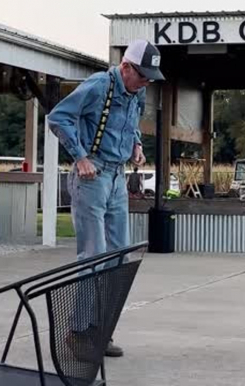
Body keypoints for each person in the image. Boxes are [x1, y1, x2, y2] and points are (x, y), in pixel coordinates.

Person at [47, 38, 164, 358]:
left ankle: (102, 330)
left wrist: (137, 145)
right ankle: (78, 331)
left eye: (150, 77)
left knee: (119, 258)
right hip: (92, 177)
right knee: (94, 256)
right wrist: (80, 157)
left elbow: (133, 122)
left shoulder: (136, 91)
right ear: (125, 67)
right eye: (142, 75)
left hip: (117, 176)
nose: (146, 82)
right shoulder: (98, 86)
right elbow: (58, 118)